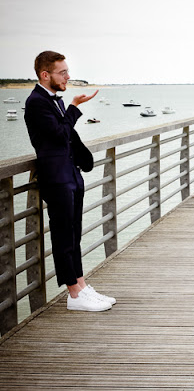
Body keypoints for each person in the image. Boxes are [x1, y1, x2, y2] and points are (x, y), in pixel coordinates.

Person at [24, 50, 116, 312]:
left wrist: (82, 160)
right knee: (64, 235)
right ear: (45, 75)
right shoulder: (36, 102)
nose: (68, 76)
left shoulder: (55, 101)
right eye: (62, 72)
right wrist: (75, 108)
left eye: (67, 71)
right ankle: (74, 295)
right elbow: (57, 135)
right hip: (56, 178)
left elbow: (68, 136)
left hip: (71, 173)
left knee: (74, 232)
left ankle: (82, 286)